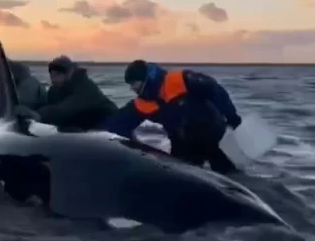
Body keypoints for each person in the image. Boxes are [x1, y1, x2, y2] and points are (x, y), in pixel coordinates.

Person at [102, 60, 242, 175]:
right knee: (186, 178)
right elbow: (118, 123)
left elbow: (216, 91)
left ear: (144, 79)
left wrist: (232, 118)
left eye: (133, 83)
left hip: (213, 136)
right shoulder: (142, 103)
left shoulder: (182, 80)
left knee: (229, 176)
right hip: (183, 146)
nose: (132, 88)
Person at [16, 55, 117, 131]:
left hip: (108, 124)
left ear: (69, 72)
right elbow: (50, 107)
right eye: (52, 75)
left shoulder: (86, 88)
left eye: (58, 75)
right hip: (80, 125)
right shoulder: (54, 90)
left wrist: (38, 115)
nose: (54, 79)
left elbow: (67, 108)